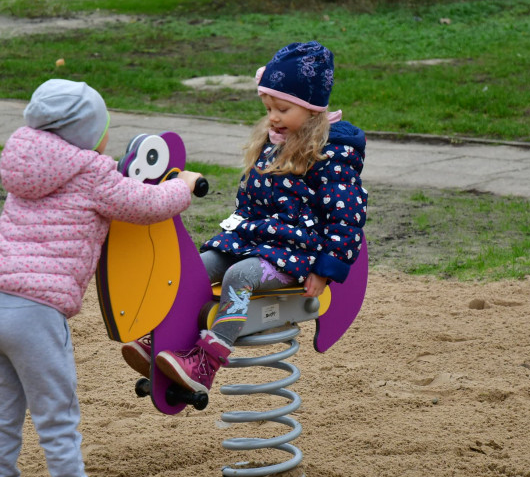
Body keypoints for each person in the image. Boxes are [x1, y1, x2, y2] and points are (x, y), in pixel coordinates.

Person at [0, 79, 202, 477]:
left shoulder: (27, 164)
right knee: (57, 421)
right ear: (87, 133)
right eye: (104, 128)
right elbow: (146, 206)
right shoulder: (92, 172)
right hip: (36, 313)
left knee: (2, 420)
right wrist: (182, 185)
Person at [122, 41, 367, 395]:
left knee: (240, 275)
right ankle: (161, 338)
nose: (273, 116)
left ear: (312, 110)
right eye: (268, 106)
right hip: (252, 240)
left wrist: (325, 271)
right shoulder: (273, 140)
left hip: (295, 252)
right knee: (194, 268)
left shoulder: (333, 155)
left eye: (282, 108)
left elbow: (346, 217)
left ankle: (205, 364)